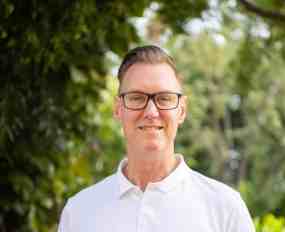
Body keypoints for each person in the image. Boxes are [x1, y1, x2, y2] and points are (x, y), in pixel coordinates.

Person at [58, 45, 255, 232]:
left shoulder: (225, 208)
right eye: (136, 98)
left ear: (182, 110)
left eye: (164, 98)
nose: (151, 112)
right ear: (118, 108)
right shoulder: (79, 212)